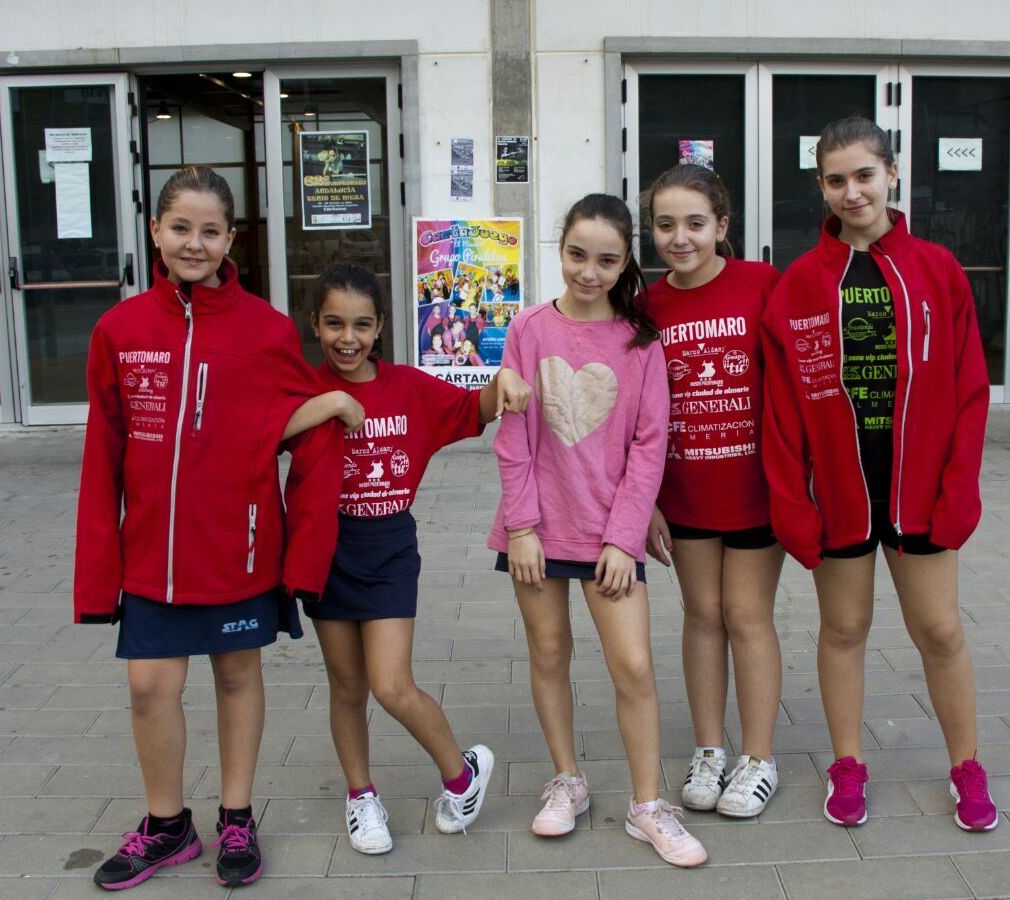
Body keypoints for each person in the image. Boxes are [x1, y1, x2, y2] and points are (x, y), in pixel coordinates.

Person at [74, 165, 359, 890]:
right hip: (151, 556)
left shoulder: (265, 329)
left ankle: (236, 814)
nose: (194, 243)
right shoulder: (119, 329)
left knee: (237, 676)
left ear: (231, 238)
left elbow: (283, 422)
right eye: (181, 228)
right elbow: (102, 452)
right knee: (148, 688)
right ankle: (167, 827)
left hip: (239, 547)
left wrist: (326, 406)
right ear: (155, 232)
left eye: (209, 231)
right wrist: (97, 568)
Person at [759, 118, 995, 832]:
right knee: (844, 630)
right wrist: (792, 506)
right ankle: (848, 763)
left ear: (892, 175)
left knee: (942, 631)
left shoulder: (937, 269)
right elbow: (782, 410)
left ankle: (967, 766)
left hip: (921, 491)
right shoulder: (800, 284)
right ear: (821, 189)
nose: (852, 191)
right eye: (836, 180)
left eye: (864, 175)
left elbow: (969, 390)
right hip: (840, 494)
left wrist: (961, 490)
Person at [490, 194, 705, 867]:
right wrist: (521, 526)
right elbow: (513, 437)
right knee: (550, 655)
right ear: (560, 249)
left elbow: (649, 445)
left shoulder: (641, 341)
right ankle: (567, 781)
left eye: (606, 260)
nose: (589, 272)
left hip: (606, 532)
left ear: (624, 264)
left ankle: (647, 805)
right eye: (577, 255)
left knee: (633, 666)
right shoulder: (527, 329)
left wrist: (621, 537)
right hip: (535, 530)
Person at [305, 263, 531, 855]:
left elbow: (474, 408)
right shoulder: (303, 389)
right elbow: (259, 431)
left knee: (390, 684)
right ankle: (360, 797)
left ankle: (461, 775)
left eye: (360, 324)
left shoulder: (407, 388)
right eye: (333, 324)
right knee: (347, 686)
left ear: (380, 326)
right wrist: (327, 402)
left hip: (388, 554)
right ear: (316, 325)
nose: (346, 338)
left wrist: (504, 381)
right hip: (325, 555)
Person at [641, 164, 786, 817]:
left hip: (757, 490)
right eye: (666, 224)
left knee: (746, 617)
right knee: (702, 616)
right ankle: (710, 749)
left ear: (722, 227)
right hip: (686, 492)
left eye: (695, 223)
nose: (680, 237)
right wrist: (643, 502)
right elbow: (633, 413)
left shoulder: (761, 284)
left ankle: (758, 757)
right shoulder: (646, 307)